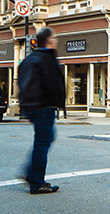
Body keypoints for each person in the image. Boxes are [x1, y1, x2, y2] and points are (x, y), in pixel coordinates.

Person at [18, 27, 66, 194]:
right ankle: (36, 182)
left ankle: (31, 174)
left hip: (31, 106)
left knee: (46, 138)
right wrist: (56, 103)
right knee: (43, 142)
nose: (56, 40)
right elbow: (52, 84)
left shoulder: (28, 59)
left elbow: (21, 82)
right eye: (55, 37)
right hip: (43, 106)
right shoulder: (47, 59)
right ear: (49, 40)